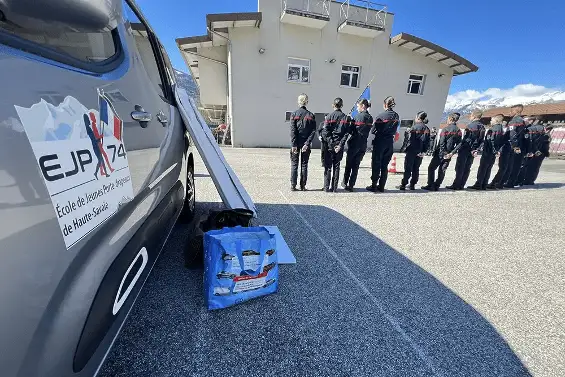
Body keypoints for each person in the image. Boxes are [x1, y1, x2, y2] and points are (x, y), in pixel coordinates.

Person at [366, 96, 399, 192]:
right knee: (384, 166)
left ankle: (374, 185)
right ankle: (381, 186)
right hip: (389, 142)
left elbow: (373, 130)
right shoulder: (396, 116)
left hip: (380, 142)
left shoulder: (381, 116)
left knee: (376, 164)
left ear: (385, 104)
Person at [421, 112, 462, 191]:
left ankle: (430, 185)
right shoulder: (458, 130)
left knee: (431, 168)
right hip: (449, 154)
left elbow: (442, 142)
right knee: (442, 170)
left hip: (441, 153)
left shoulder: (445, 129)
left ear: (450, 119)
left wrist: (444, 152)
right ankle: (437, 185)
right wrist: (451, 153)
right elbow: (460, 143)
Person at [446, 110, 484, 190]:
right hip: (473, 151)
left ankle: (456, 185)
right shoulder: (482, 127)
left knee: (460, 168)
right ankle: (461, 185)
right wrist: (476, 149)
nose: (470, 117)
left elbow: (466, 139)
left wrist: (456, 150)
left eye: (471, 115)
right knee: (467, 168)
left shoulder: (470, 126)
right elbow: (481, 140)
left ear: (474, 116)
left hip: (465, 149)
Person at [342, 99, 373, 191]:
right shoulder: (370, 117)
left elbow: (351, 130)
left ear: (363, 106)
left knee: (349, 164)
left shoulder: (358, 117)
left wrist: (349, 120)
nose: (357, 108)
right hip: (363, 144)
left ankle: (345, 182)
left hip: (355, 143)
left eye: (358, 106)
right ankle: (351, 185)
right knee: (356, 166)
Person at [468, 114, 504, 190]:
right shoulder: (501, 129)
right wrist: (497, 151)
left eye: (492, 120)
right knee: (488, 169)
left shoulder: (493, 129)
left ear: (496, 121)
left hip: (488, 151)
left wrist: (493, 150)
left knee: (483, 168)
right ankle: (484, 184)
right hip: (493, 153)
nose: (491, 121)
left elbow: (491, 140)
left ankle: (479, 184)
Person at [289, 93, 316, 191]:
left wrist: (294, 144)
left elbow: (293, 131)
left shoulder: (294, 114)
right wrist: (307, 144)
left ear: (298, 101)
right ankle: (303, 186)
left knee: (294, 164)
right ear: (307, 102)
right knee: (304, 164)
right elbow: (313, 131)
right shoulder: (311, 115)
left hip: (296, 143)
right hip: (305, 144)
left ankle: (293, 185)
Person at [397, 111, 430, 190]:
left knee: (408, 168)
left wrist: (405, 148)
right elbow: (427, 141)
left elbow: (408, 140)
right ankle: (412, 184)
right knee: (416, 168)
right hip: (420, 152)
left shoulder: (413, 128)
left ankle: (403, 184)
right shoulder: (427, 129)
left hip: (411, 151)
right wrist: (424, 151)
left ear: (418, 118)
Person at [322, 98, 349, 192]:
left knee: (328, 166)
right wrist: (340, 145)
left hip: (330, 145)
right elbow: (346, 133)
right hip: (339, 145)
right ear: (341, 105)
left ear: (333, 105)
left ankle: (326, 187)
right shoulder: (345, 117)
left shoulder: (329, 116)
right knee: (336, 166)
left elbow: (325, 132)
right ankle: (334, 188)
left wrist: (332, 144)